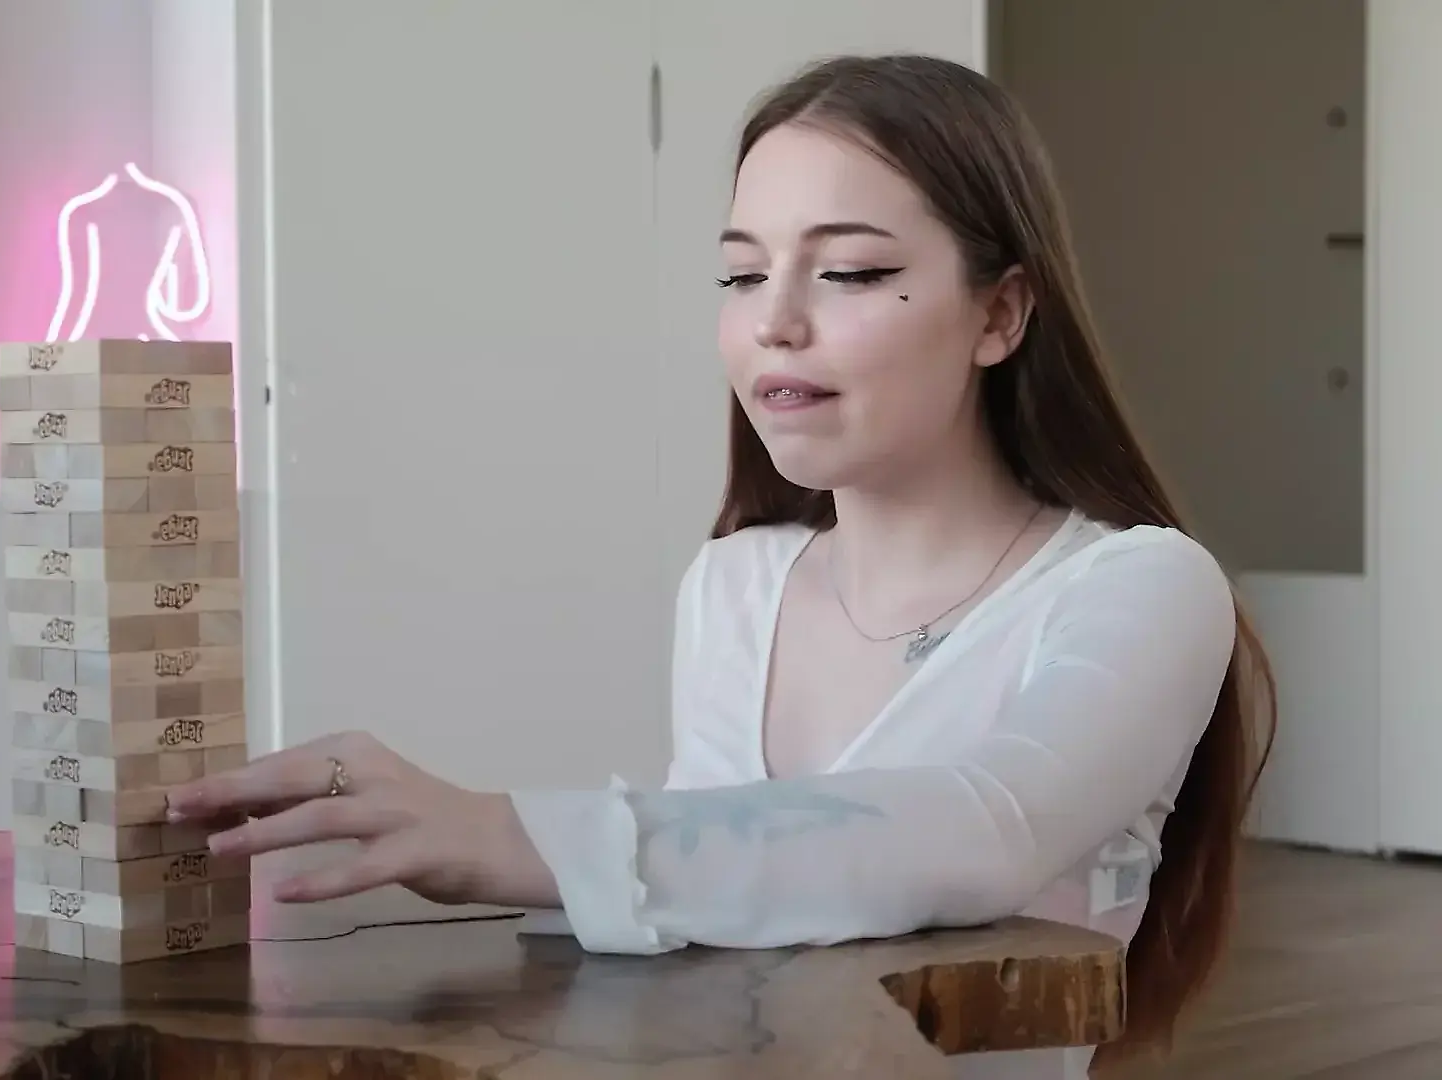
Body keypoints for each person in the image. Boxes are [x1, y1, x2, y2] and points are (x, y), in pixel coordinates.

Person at [164, 53, 1276, 1077]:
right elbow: (706, 933)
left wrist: (518, 835)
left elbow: (988, 828)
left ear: (1000, 313)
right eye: (742, 277)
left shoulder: (1142, 589)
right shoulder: (737, 588)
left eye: (850, 271)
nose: (775, 323)